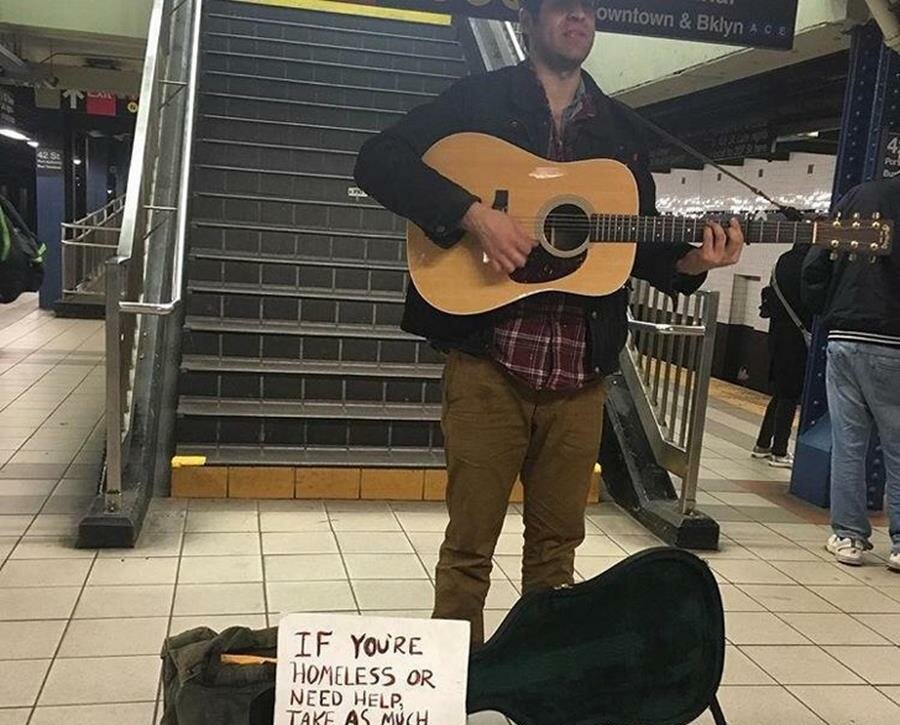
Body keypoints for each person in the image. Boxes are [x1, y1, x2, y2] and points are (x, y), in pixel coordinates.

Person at [354, 0, 744, 645]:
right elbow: (377, 161)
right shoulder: (476, 100)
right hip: (489, 361)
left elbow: (631, 246)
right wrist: (473, 213)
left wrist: (693, 262)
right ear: (528, 21)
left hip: (582, 371)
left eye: (590, 9)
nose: (580, 19)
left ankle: (548, 685)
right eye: (564, 7)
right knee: (469, 547)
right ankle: (455, 693)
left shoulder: (621, 130)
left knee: (557, 556)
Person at [802, 176, 900, 571]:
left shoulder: (858, 196)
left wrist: (827, 310)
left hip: (844, 336)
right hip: (894, 340)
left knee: (848, 444)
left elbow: (814, 265)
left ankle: (848, 538)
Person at [752, 244, 812, 468]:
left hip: (776, 334)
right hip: (796, 338)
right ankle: (779, 451)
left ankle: (762, 444)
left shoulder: (782, 261)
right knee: (790, 394)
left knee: (780, 391)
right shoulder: (808, 263)